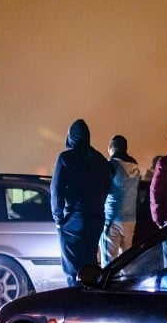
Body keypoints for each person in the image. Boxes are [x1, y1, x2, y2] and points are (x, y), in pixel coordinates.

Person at [50, 119, 112, 286]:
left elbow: (56, 190)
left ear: (70, 137)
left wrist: (58, 219)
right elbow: (107, 186)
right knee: (90, 266)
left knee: (73, 270)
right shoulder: (100, 159)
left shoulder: (66, 158)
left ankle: (75, 307)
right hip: (96, 217)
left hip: (74, 219)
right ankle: (91, 305)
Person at [100, 135, 140, 264]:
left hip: (113, 218)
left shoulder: (111, 166)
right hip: (130, 220)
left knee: (109, 261)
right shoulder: (135, 167)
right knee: (126, 261)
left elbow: (102, 189)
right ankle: (125, 283)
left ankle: (108, 284)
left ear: (111, 148)